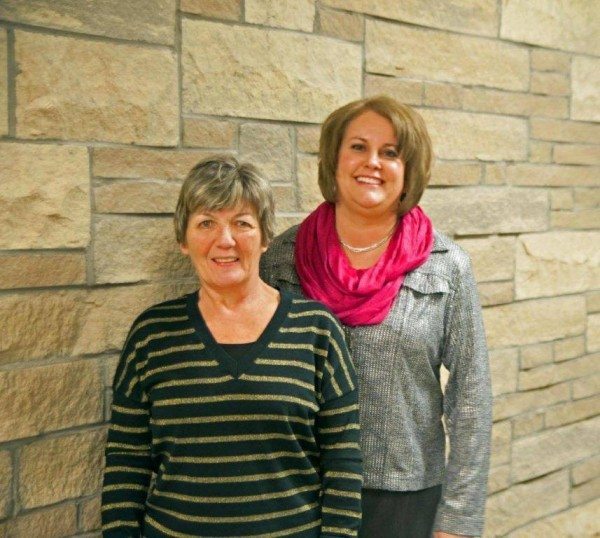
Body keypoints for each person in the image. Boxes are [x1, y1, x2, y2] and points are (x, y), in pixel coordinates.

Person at [260, 96, 492, 538]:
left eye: (390, 153)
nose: (372, 163)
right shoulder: (281, 262)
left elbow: (471, 399)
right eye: (358, 147)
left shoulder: (446, 266)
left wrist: (459, 519)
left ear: (409, 170)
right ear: (334, 158)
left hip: (403, 500)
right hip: (297, 492)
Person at [101, 155, 362, 537]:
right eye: (206, 223)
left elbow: (343, 463)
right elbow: (126, 462)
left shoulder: (316, 331)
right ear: (183, 239)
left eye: (242, 223)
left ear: (265, 236)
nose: (225, 240)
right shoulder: (151, 335)